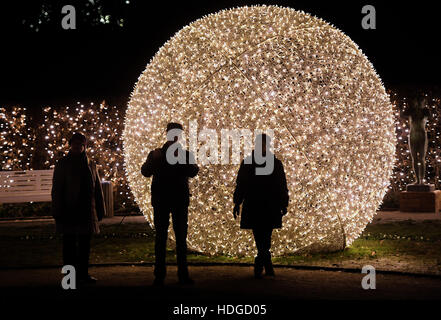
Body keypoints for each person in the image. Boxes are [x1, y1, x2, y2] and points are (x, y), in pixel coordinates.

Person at [141, 122, 199, 286]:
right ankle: (159, 275)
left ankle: (183, 275)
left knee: (181, 238)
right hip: (161, 200)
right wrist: (154, 160)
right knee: (160, 237)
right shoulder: (156, 153)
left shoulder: (185, 154)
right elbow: (145, 171)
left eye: (178, 134)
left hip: (179, 200)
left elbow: (194, 171)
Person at [51, 132, 106, 284]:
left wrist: (100, 209)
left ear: (84, 146)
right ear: (71, 145)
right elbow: (57, 189)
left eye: (80, 144)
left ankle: (82, 275)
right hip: (69, 210)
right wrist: (57, 209)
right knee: (69, 247)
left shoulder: (90, 164)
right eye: (75, 144)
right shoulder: (63, 163)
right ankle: (70, 278)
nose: (77, 147)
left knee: (84, 246)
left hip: (86, 210)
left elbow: (97, 189)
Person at [233, 134, 289, 279]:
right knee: (259, 234)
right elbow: (241, 184)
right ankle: (265, 260)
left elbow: (282, 185)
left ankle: (261, 260)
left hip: (269, 204)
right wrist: (237, 202)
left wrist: (284, 202)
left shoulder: (275, 163)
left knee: (266, 234)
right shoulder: (248, 163)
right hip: (255, 203)